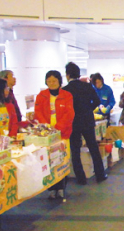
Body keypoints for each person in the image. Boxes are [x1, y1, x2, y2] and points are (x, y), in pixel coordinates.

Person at [63, 62, 107, 184]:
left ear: (67, 75)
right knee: (93, 147)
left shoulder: (65, 90)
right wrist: (88, 109)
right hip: (87, 120)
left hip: (73, 122)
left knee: (75, 150)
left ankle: (81, 178)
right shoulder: (87, 87)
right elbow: (97, 101)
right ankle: (100, 174)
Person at [34, 70, 75, 199]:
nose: (51, 83)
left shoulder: (67, 95)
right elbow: (38, 112)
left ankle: (62, 187)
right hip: (47, 134)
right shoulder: (41, 95)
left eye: (54, 81)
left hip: (63, 133)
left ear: (59, 82)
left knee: (62, 159)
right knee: (49, 161)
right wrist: (46, 127)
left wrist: (57, 128)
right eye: (49, 81)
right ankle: (51, 188)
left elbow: (69, 114)